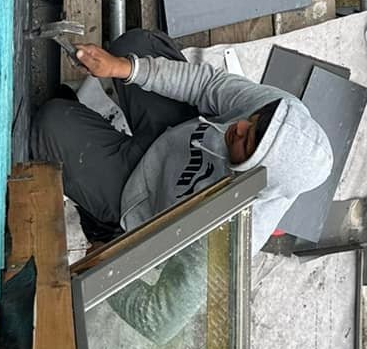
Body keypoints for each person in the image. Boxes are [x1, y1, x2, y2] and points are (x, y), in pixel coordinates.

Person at [31, 29, 332, 252]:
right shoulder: (278, 111)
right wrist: (120, 68)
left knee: (50, 121)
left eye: (248, 141)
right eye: (251, 122)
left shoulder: (234, 235)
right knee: (135, 47)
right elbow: (206, 85)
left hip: (141, 197)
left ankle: (107, 227)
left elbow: (164, 310)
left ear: (255, 177)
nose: (239, 126)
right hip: (177, 132)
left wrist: (106, 259)